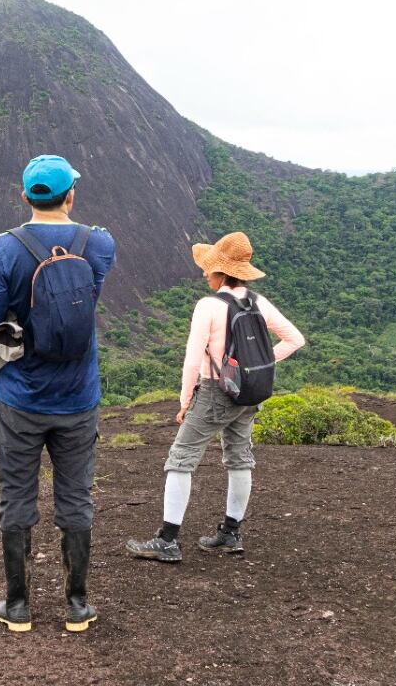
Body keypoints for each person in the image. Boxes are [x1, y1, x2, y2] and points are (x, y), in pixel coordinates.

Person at [0, 154, 116, 633]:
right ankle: (77, 605)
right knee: (75, 497)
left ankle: (17, 606)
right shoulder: (98, 243)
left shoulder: (4, 248)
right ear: (70, 195)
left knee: (16, 496)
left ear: (24, 196)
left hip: (19, 396)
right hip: (79, 398)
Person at [126, 231, 304, 562]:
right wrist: (253, 367)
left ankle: (167, 540)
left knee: (180, 458)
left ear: (221, 273)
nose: (204, 274)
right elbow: (294, 339)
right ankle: (231, 533)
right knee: (239, 457)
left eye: (209, 269)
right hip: (250, 393)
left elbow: (192, 359)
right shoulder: (256, 301)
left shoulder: (208, 305)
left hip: (216, 391)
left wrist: (184, 401)